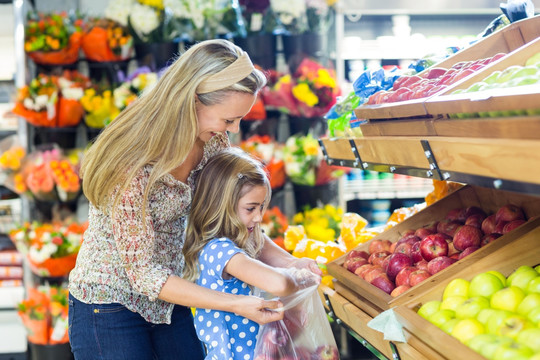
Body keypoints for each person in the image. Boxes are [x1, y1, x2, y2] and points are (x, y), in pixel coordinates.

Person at [68, 39, 320, 360]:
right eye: (228, 120)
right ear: (191, 101)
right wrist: (234, 303)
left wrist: (291, 263)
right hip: (110, 304)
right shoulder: (131, 165)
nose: (233, 129)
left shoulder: (213, 142)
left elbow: (227, 221)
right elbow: (143, 273)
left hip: (175, 298)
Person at [183, 147, 321, 360]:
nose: (258, 217)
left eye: (262, 207)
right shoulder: (219, 251)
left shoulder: (236, 241)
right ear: (223, 205)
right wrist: (299, 277)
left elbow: (280, 261)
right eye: (250, 209)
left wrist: (298, 264)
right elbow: (279, 284)